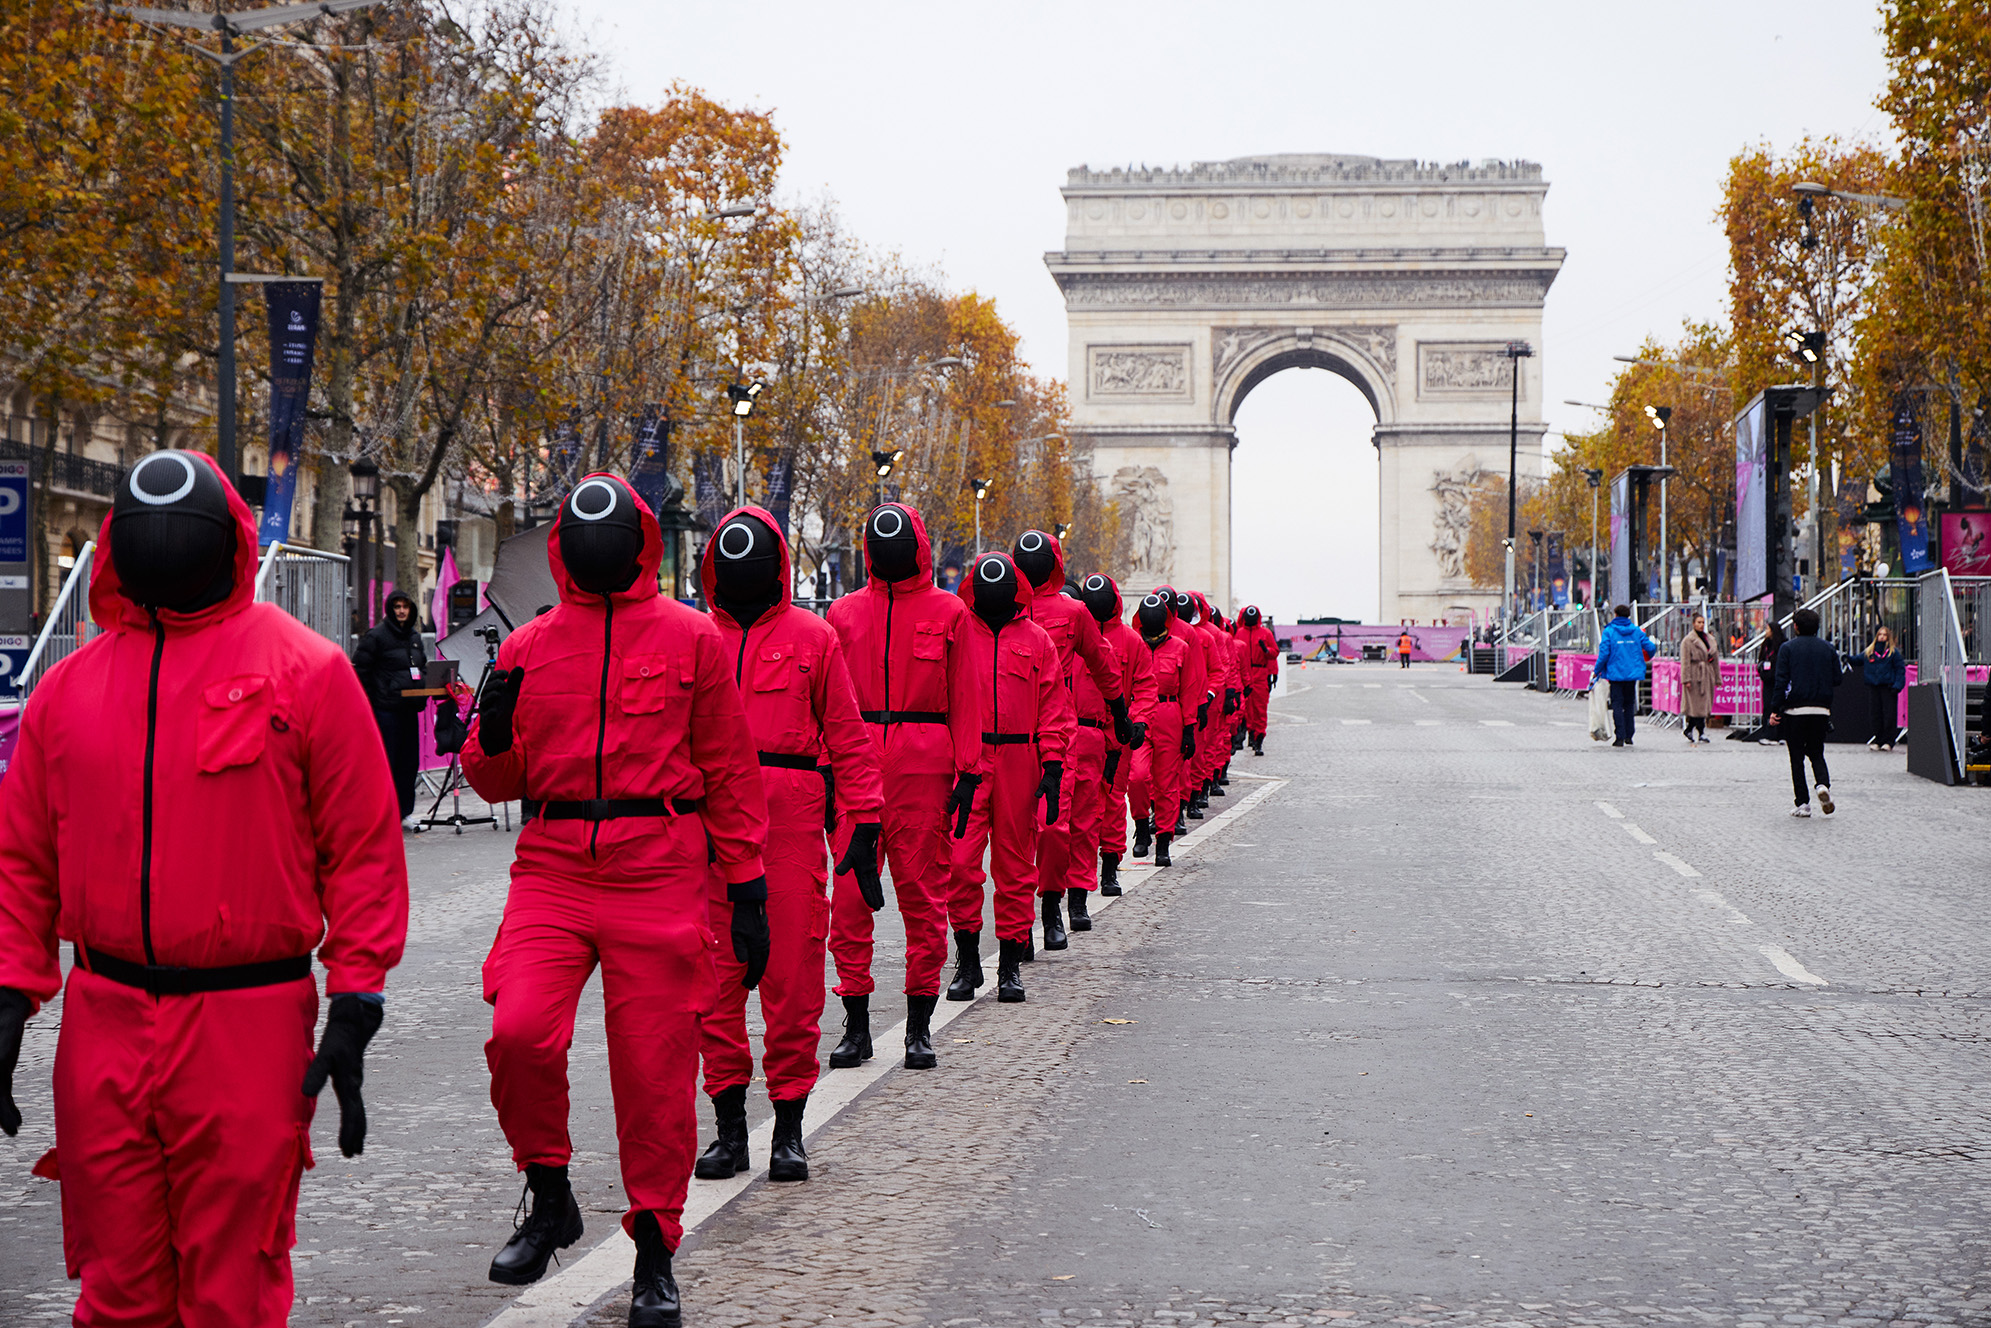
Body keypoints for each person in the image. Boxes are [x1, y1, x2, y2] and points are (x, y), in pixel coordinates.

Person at [0, 450, 409, 1327]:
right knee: (115, 1289)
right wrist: (9, 990)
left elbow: (363, 848)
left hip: (246, 1022)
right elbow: (22, 860)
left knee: (233, 1289)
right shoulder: (66, 690)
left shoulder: (308, 671)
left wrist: (358, 995)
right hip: (102, 1017)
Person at [461, 472, 769, 1327]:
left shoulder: (694, 640)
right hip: (555, 867)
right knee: (518, 1030)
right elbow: (493, 782)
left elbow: (731, 772)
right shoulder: (527, 647)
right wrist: (486, 731)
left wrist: (747, 888)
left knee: (654, 1075)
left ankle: (654, 1252)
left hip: (659, 866)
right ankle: (549, 1189)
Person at [695, 507, 884, 1185]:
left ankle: (788, 1129)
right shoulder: (693, 637)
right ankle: (726, 1131)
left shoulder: (814, 636)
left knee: (792, 981)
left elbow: (847, 731)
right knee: (714, 988)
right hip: (707, 830)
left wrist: (864, 819)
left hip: (792, 827)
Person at [826, 503, 984, 1051]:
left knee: (923, 898)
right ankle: (858, 1024)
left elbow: (966, 697)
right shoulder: (841, 615)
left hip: (925, 768)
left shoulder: (949, 612)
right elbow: (822, 704)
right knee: (847, 903)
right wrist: (825, 770)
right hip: (855, 768)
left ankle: (919, 1025)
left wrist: (969, 770)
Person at [945, 552, 1073, 1003]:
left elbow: (1055, 708)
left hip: (1021, 756)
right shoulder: (957, 635)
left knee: (1016, 866)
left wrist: (1054, 765)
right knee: (959, 862)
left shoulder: (1038, 640)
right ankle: (965, 959)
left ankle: (1008, 966)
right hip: (969, 757)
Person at [1010, 530, 1129, 951]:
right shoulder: (998, 604)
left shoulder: (1074, 612)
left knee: (1054, 827)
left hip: (1056, 726)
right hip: (1007, 727)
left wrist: (1118, 711)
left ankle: (1052, 906)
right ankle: (1018, 924)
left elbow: (1102, 662)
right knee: (1014, 834)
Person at [1075, 573, 1156, 901]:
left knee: (1110, 801)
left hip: (1114, 734)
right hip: (1078, 730)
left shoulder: (1131, 641)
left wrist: (1139, 722)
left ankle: (1109, 866)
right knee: (1078, 809)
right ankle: (1077, 879)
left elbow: (1146, 685)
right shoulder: (1073, 633)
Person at [1125, 592, 1195, 867]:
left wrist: (1189, 727)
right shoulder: (1133, 645)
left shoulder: (1180, 647)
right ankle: (1142, 827)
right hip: (1139, 715)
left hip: (1169, 714)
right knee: (1138, 777)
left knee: (1167, 784)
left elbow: (1189, 688)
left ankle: (1164, 841)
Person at [352, 590, 430, 828]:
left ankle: (404, 812)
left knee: (409, 763)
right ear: (390, 609)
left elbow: (422, 666)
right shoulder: (376, 636)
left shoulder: (415, 638)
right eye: (397, 607)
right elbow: (361, 670)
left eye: (405, 607)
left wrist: (424, 684)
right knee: (387, 763)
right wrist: (373, 700)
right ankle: (382, 813)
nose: (401, 611)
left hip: (409, 708)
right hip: (385, 711)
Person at [1770, 607, 1842, 817]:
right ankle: (1822, 785)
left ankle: (1803, 803)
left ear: (1795, 627)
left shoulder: (1787, 648)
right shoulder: (1828, 648)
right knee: (1817, 752)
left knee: (1796, 757)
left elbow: (1781, 681)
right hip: (1820, 709)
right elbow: (1838, 678)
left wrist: (1776, 709)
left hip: (1795, 710)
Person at [1595, 604, 1657, 747]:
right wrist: (1645, 658)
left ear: (1615, 614)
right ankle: (1629, 735)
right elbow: (1651, 647)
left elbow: (1604, 653)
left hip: (1615, 674)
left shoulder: (1609, 631)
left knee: (1617, 704)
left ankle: (1620, 737)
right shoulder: (1636, 631)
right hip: (1632, 674)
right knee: (1629, 704)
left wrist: (1597, 670)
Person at [1234, 605, 1278, 755]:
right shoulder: (1239, 633)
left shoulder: (1265, 633)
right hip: (1244, 673)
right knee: (1245, 709)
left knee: (1260, 709)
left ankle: (1258, 739)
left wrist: (1266, 651)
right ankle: (1250, 735)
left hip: (1260, 673)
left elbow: (1274, 653)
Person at [1861, 624, 1906, 750]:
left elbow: (1900, 670)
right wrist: (1847, 658)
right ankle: (1878, 739)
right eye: (1879, 635)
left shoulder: (1893, 653)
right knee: (1875, 714)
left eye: (1884, 635)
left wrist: (1897, 685)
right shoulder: (1870, 651)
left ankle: (1889, 741)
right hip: (1874, 686)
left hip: (1888, 687)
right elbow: (1858, 659)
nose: (1881, 637)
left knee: (1889, 714)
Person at [1680, 612, 1719, 744]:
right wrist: (1686, 679)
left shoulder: (1710, 639)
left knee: (1703, 705)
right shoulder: (1688, 640)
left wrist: (1717, 678)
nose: (1701, 625)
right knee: (1696, 707)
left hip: (1707, 674)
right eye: (1698, 622)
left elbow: (1715, 660)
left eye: (1703, 622)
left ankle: (1693, 730)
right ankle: (1697, 730)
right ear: (1693, 624)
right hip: (1695, 674)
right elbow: (1685, 661)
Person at [1756, 620, 1787, 743]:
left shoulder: (1782, 645)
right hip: (1768, 680)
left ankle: (1781, 734)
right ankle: (1768, 734)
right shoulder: (1766, 645)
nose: (1766, 632)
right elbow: (1762, 659)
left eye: (1767, 629)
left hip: (1779, 680)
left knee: (1780, 706)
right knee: (1768, 706)